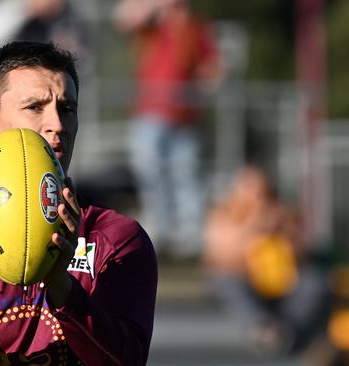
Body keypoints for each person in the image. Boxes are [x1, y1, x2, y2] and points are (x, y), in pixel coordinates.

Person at [0, 41, 157, 365]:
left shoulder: (116, 239)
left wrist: (62, 288)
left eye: (67, 109)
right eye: (35, 107)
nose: (57, 124)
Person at [114, 0, 221, 259]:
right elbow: (124, 17)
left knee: (186, 175)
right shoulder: (152, 25)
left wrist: (203, 87)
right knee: (151, 172)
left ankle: (189, 237)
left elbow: (213, 67)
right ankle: (159, 231)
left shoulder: (196, 28)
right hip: (150, 114)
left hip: (184, 116)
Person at [203, 166, 326, 355]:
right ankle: (262, 328)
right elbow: (221, 257)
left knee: (313, 282)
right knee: (226, 281)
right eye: (251, 191)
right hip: (247, 282)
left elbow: (303, 255)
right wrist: (253, 228)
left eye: (263, 192)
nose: (257, 198)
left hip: (283, 284)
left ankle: (286, 330)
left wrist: (286, 229)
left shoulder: (282, 214)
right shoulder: (222, 216)